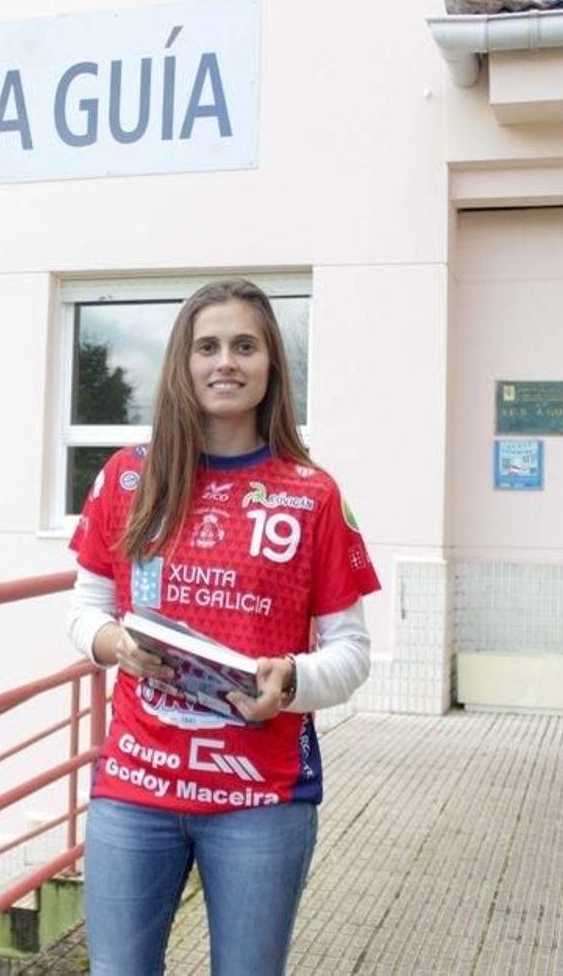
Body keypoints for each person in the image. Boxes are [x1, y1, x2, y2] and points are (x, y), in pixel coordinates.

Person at [67, 279, 379, 975]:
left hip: (260, 798)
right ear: (183, 363)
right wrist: (116, 644)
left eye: (245, 346)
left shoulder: (312, 494)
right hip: (135, 788)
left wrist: (290, 680)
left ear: (271, 365)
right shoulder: (129, 478)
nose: (225, 363)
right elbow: (84, 608)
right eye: (207, 347)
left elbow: (352, 653)